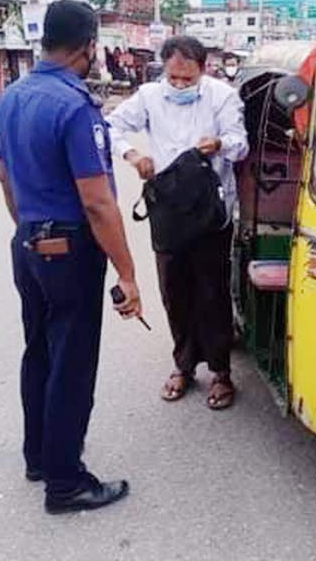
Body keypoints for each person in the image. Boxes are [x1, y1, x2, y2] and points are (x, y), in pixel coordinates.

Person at [0, 0, 144, 515]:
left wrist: (30, 234)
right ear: (89, 47)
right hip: (69, 250)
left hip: (28, 243)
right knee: (72, 365)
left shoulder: (11, 97)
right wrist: (127, 272)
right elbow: (98, 203)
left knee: (40, 351)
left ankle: (39, 456)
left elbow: (5, 179)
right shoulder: (75, 106)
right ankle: (66, 482)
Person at [105, 35, 247, 412]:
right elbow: (108, 128)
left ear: (204, 69)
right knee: (174, 291)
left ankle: (220, 371)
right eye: (174, 78)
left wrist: (218, 144)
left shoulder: (221, 96)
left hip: (210, 211)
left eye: (188, 79)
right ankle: (183, 365)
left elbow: (240, 143)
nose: (181, 85)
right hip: (167, 208)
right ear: (164, 71)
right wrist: (133, 154)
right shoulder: (149, 97)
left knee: (212, 292)